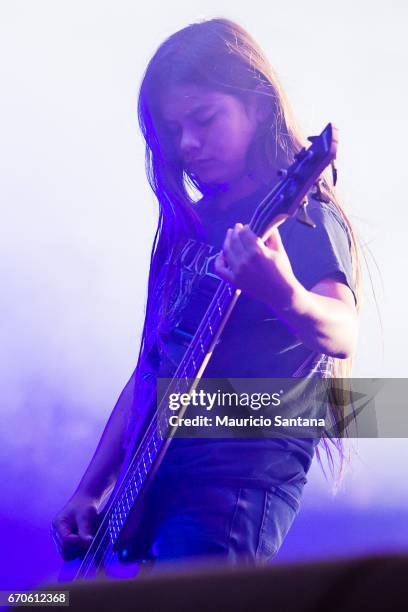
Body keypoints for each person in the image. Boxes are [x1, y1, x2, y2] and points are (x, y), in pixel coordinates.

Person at [51, 18, 361, 571]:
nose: (187, 143)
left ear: (259, 106)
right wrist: (90, 489)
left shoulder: (300, 211)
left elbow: (342, 329)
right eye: (172, 130)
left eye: (204, 118)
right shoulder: (187, 229)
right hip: (153, 486)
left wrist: (285, 294)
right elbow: (152, 364)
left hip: (234, 487)